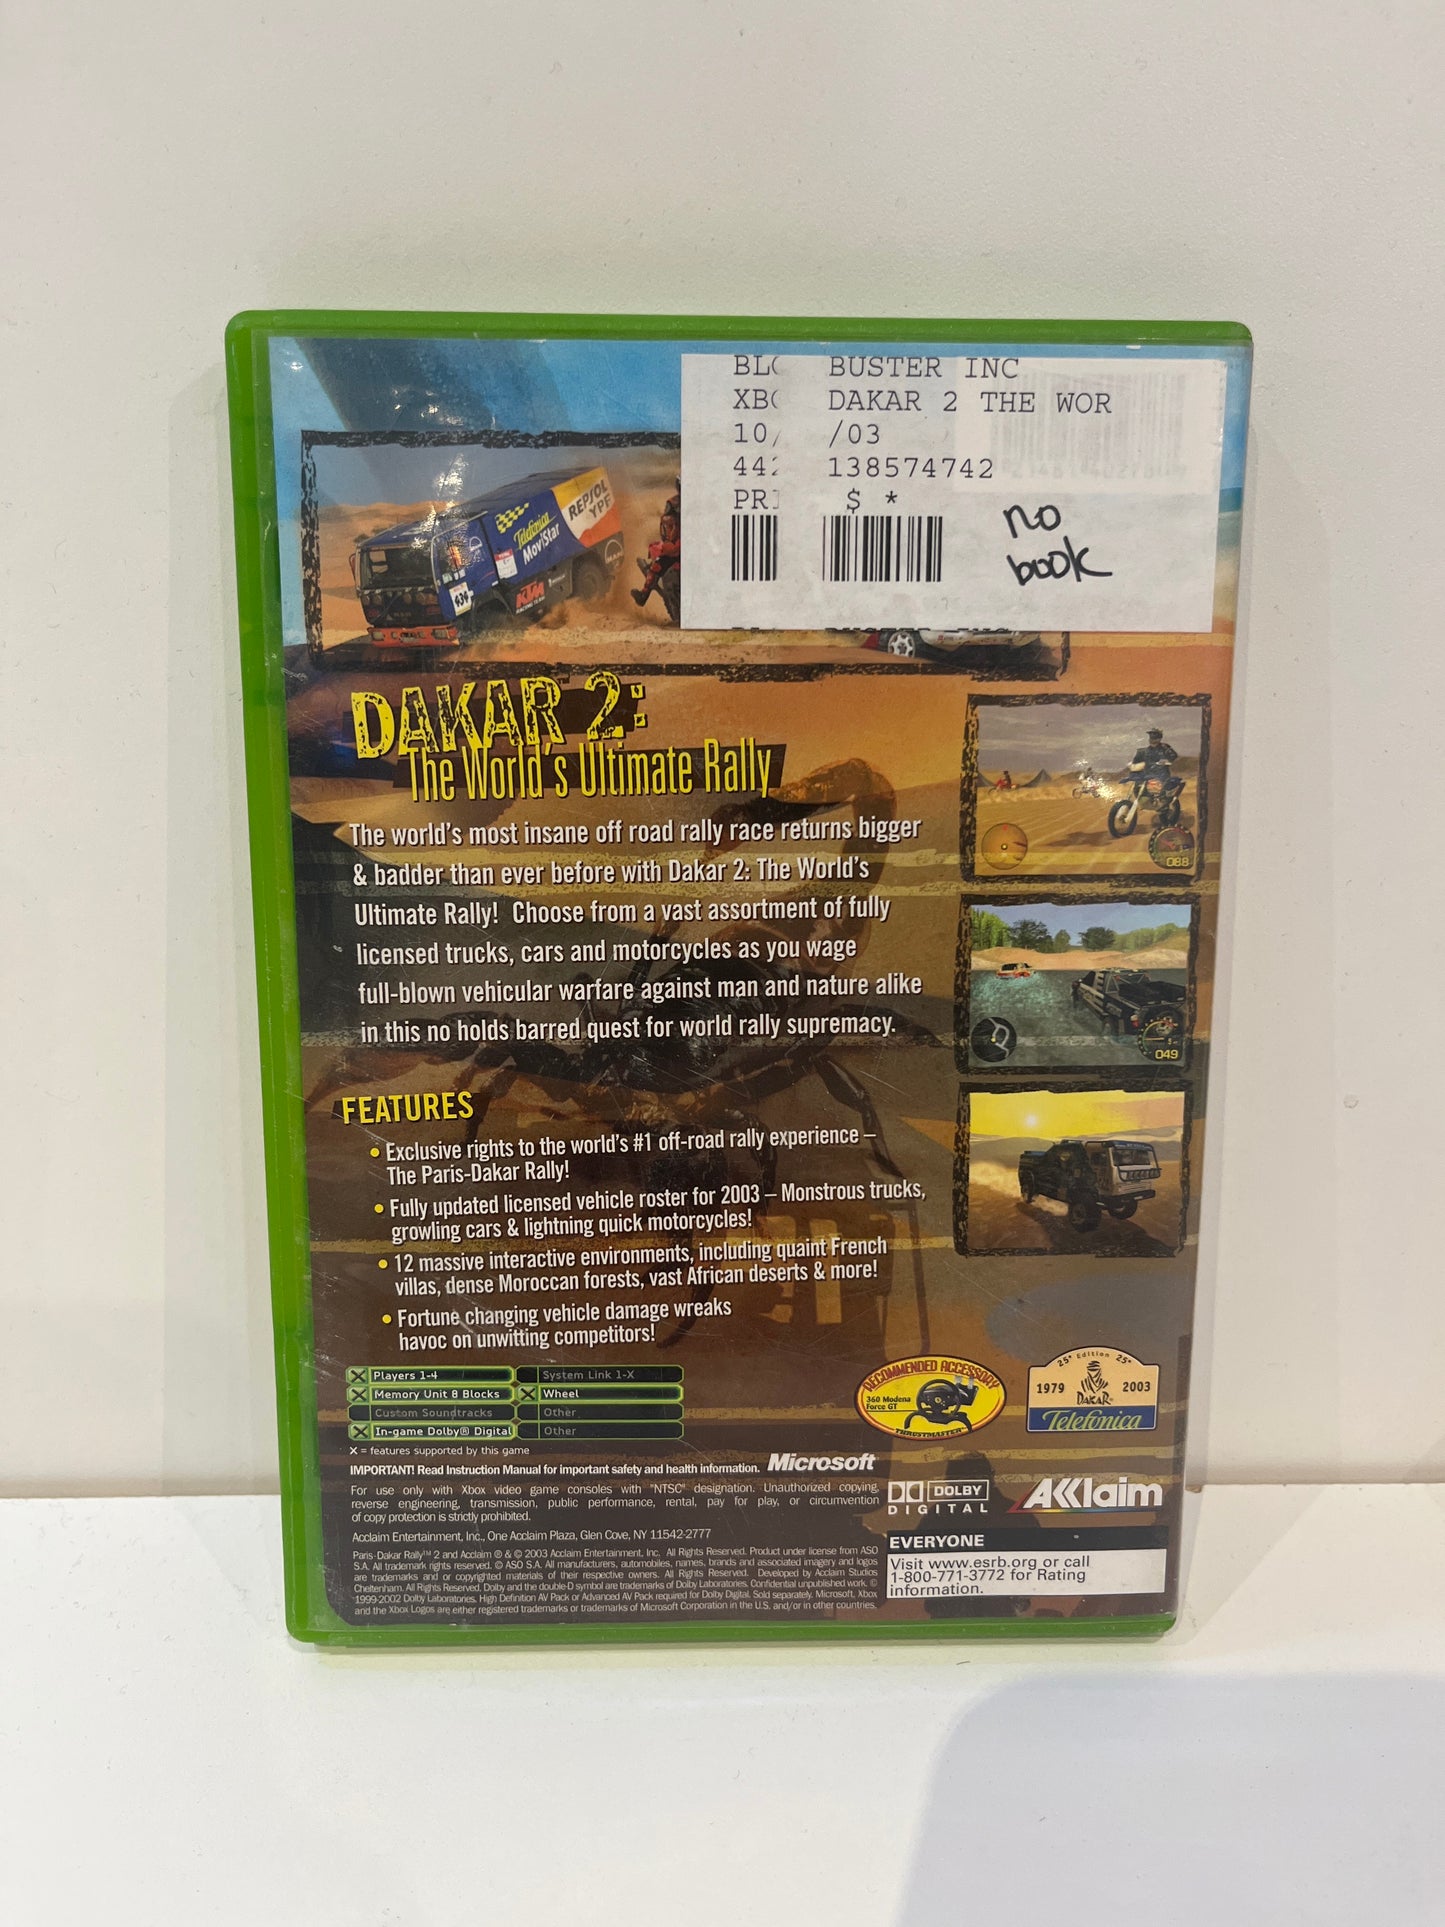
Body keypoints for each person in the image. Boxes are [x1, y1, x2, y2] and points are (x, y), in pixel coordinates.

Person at [632, 478, 681, 610]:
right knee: (657, 566)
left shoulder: (700, 502)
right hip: (676, 545)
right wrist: (674, 519)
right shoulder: (673, 502)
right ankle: (643, 595)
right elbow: (664, 520)